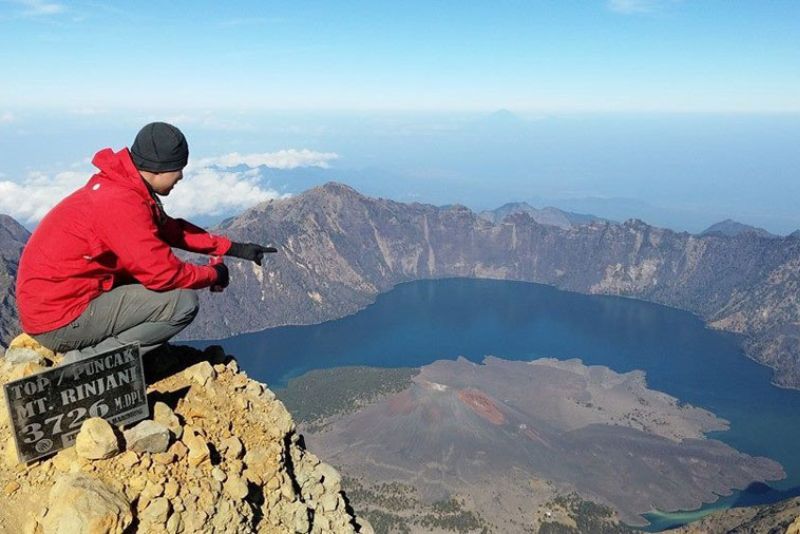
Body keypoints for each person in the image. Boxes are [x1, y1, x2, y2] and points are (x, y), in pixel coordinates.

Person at [16, 122, 275, 362]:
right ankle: (92, 362)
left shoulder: (123, 187)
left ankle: (107, 351)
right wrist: (213, 274)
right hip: (59, 319)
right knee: (182, 303)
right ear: (159, 167)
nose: (181, 177)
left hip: (57, 301)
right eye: (178, 169)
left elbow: (171, 230)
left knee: (142, 279)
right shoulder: (120, 203)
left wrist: (234, 249)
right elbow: (164, 275)